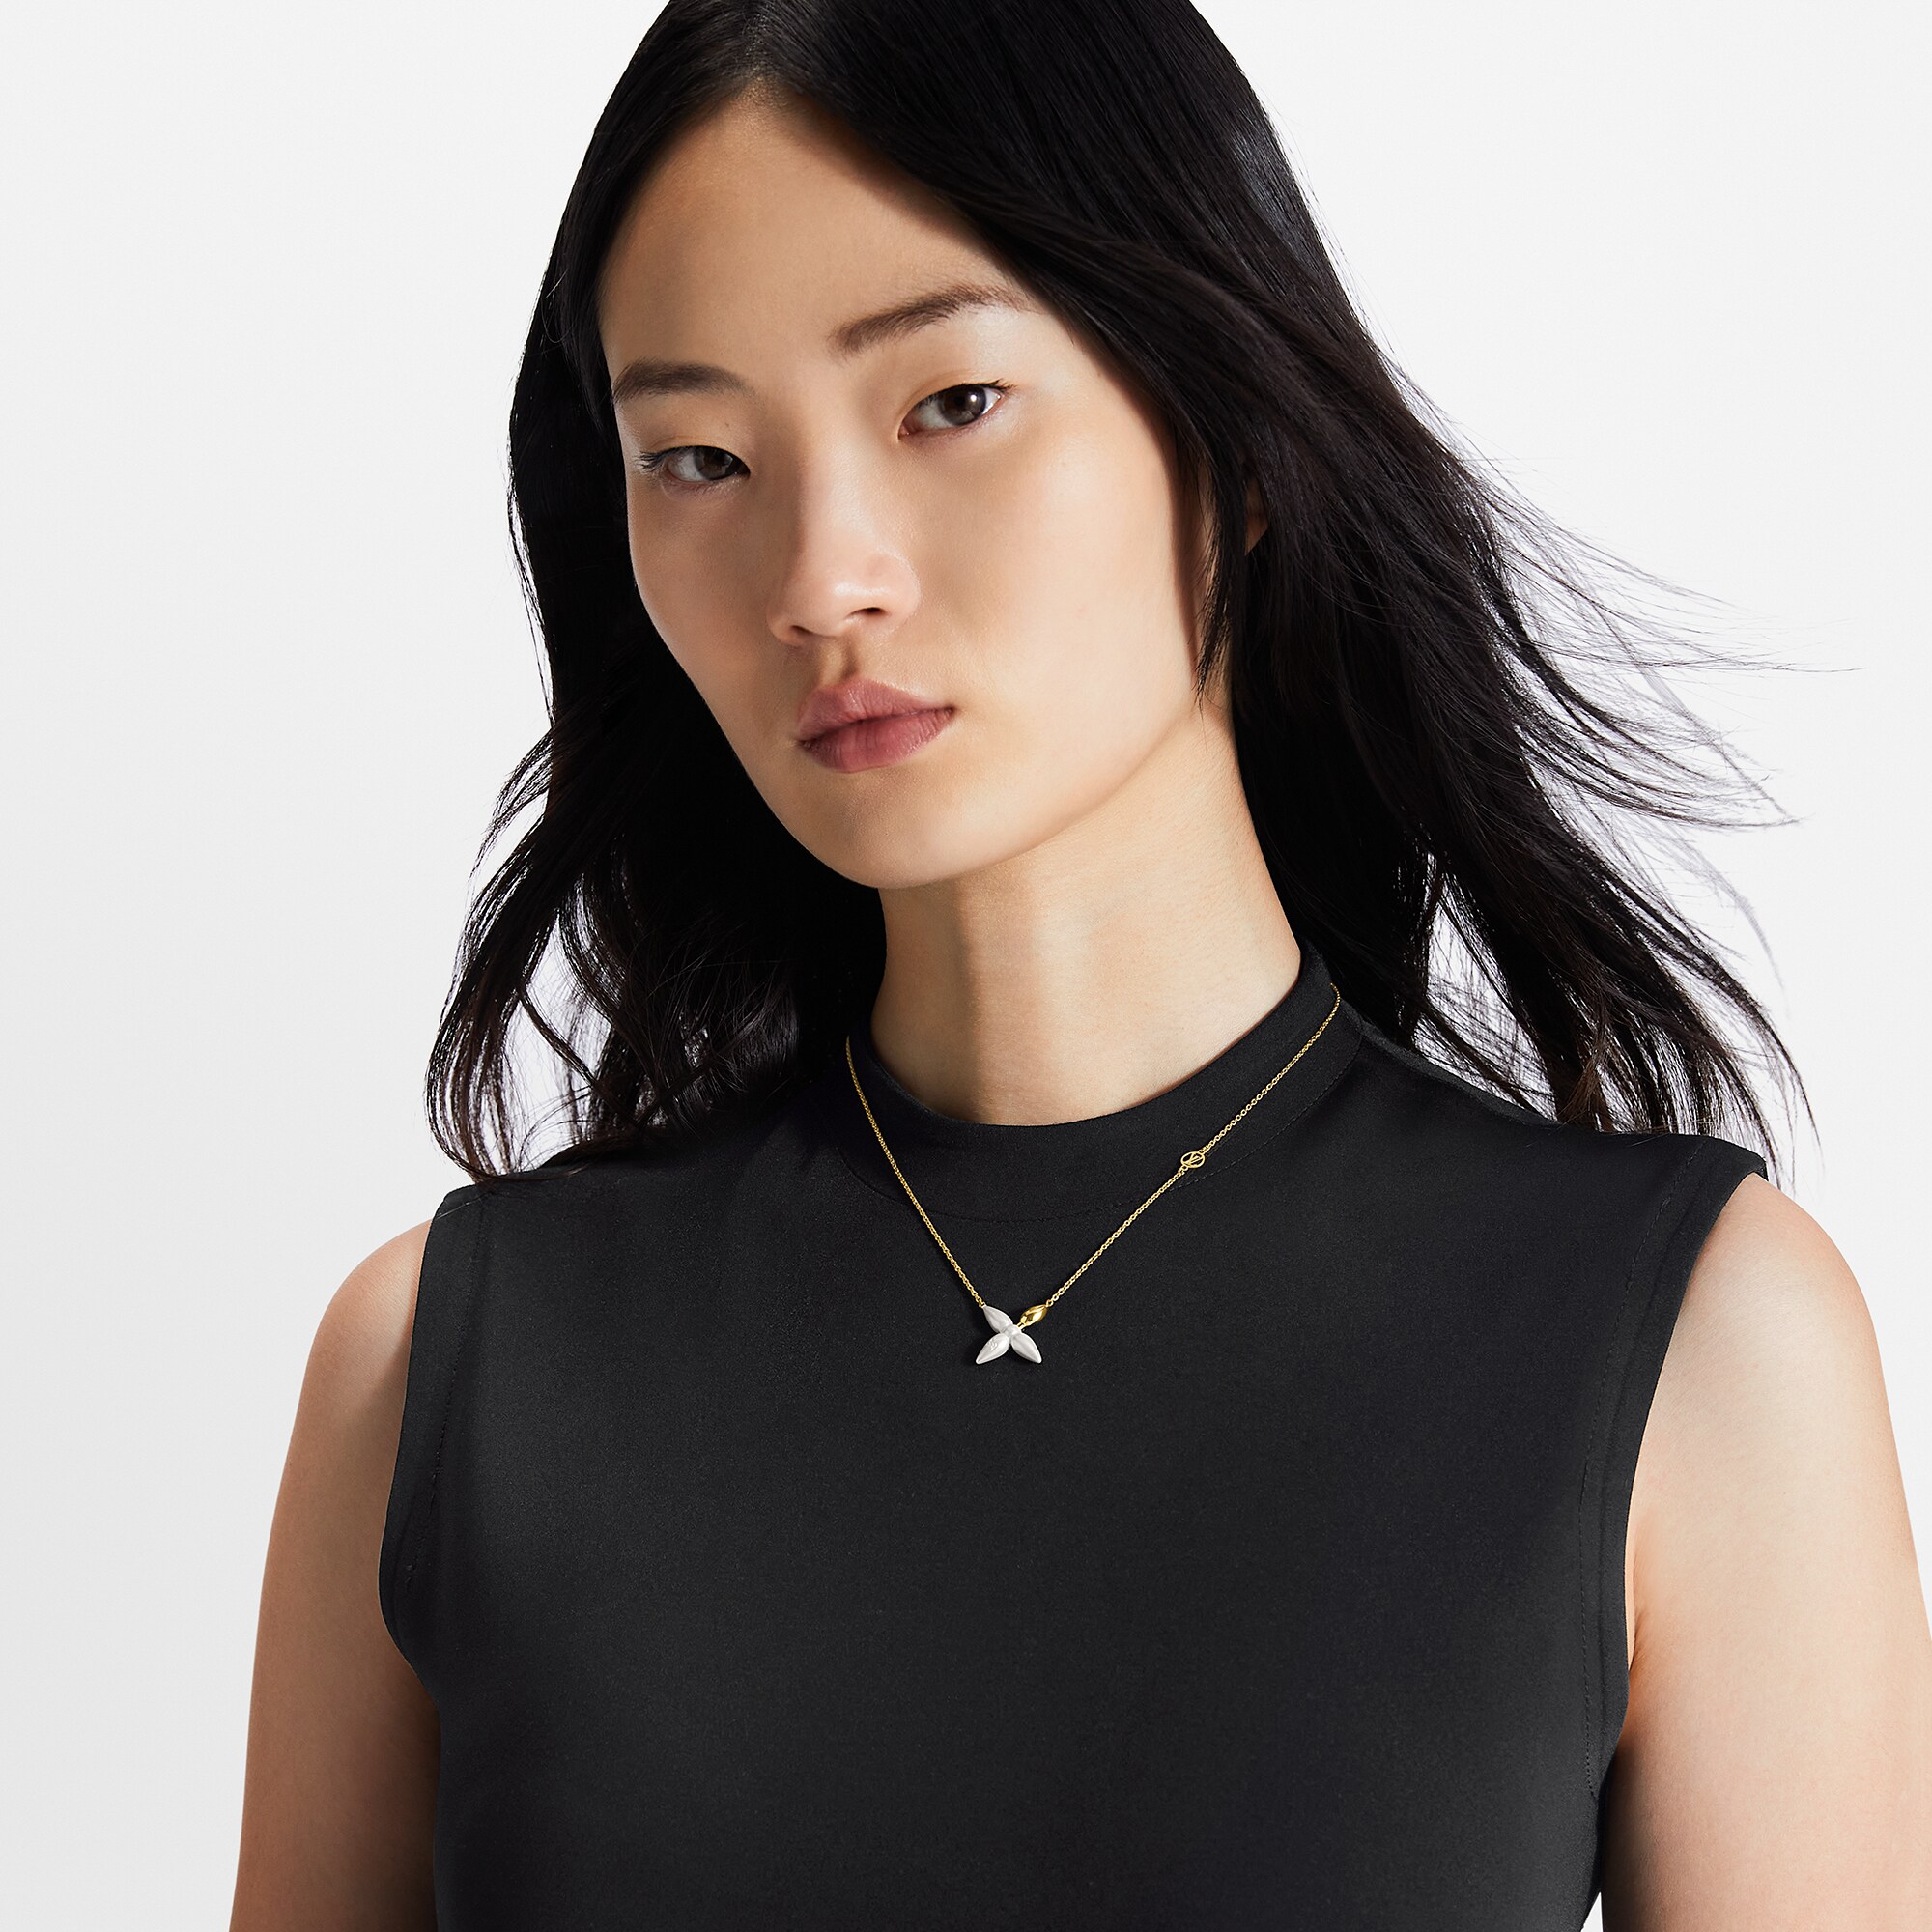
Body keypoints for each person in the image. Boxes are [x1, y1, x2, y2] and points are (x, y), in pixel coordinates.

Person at [229, 3, 1932, 1926]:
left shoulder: (1698, 1348)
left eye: (951, 403)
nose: (823, 577)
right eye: (699, 457)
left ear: (1239, 428)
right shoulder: (441, 1369)